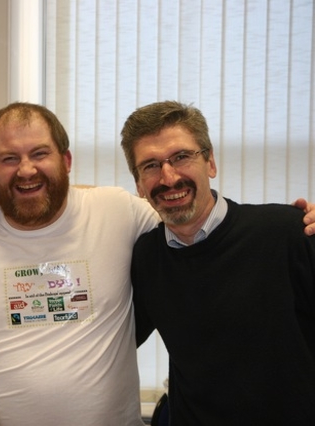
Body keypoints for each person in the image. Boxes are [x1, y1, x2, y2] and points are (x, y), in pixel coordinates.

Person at [121, 100, 315, 425]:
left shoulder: (288, 233)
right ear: (139, 184)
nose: (168, 178)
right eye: (151, 165)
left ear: (210, 162)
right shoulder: (145, 257)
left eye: (181, 157)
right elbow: (113, 338)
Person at [0, 102, 160, 425]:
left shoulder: (116, 211)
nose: (26, 169)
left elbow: (194, 229)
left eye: (40, 153)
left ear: (67, 160)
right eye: (9, 158)